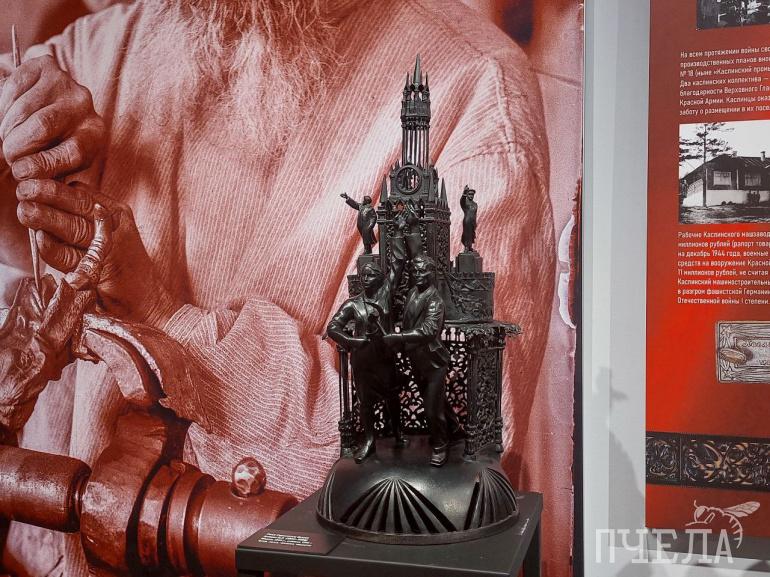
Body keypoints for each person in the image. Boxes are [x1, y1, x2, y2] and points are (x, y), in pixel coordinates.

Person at [0, 1, 554, 573]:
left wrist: (167, 318)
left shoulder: (474, 97)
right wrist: (12, 132)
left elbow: (428, 470)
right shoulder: (136, 33)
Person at [326, 260, 407, 463]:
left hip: (384, 358)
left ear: (380, 278)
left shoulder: (385, 294)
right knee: (365, 402)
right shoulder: (353, 304)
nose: (366, 279)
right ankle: (370, 440)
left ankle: (398, 432)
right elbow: (333, 327)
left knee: (392, 396)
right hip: (363, 360)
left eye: (371, 275)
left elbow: (397, 265)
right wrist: (352, 341)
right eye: (363, 275)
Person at [383, 254, 457, 467]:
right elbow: (408, 322)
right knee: (435, 400)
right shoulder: (412, 293)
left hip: (434, 363)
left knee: (432, 408)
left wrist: (400, 337)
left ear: (432, 273)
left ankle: (440, 445)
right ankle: (454, 428)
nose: (418, 274)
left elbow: (429, 330)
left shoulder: (435, 300)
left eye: (423, 270)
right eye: (415, 271)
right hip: (416, 359)